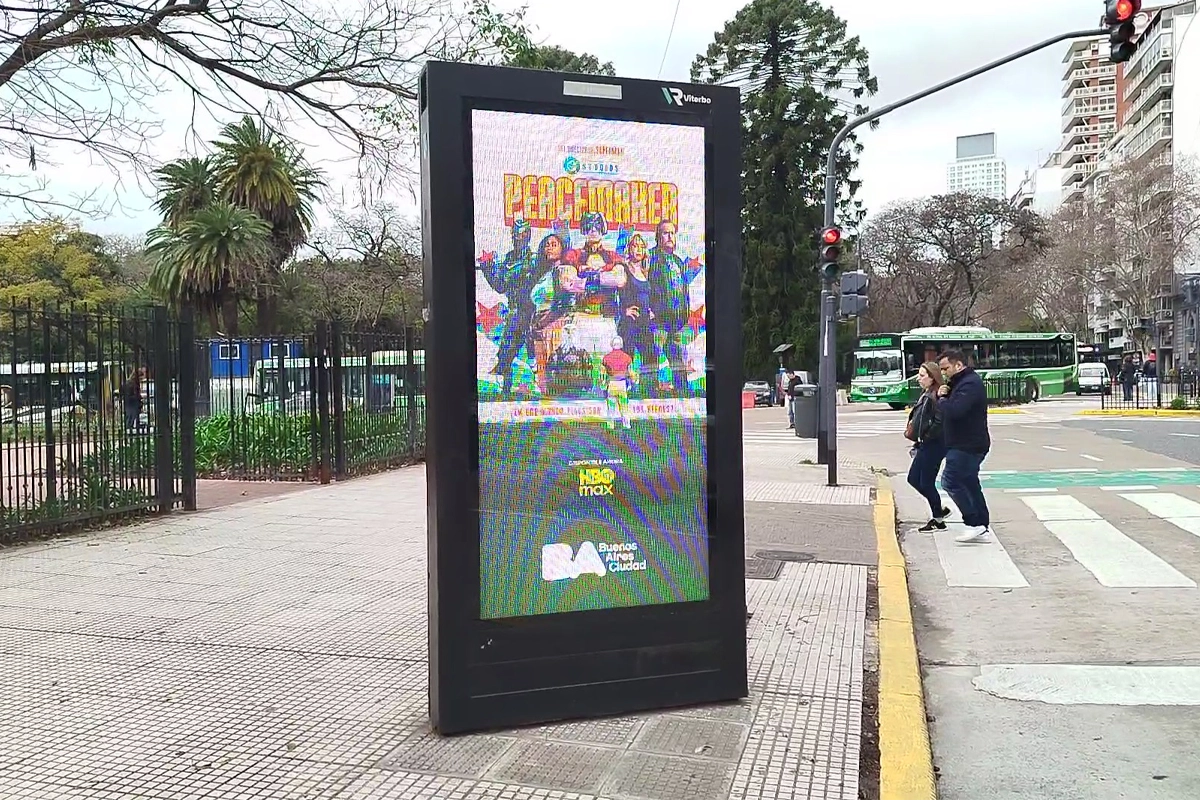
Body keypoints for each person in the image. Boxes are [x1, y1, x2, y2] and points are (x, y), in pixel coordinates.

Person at [936, 349, 992, 543]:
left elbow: (955, 411)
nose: (943, 373)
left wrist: (942, 399)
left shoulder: (969, 384)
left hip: (967, 444)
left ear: (958, 365)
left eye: (946, 368)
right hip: (964, 442)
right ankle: (981, 524)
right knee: (969, 483)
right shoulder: (959, 383)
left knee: (950, 481)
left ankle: (974, 522)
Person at [906, 362, 950, 531]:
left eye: (922, 375)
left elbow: (939, 421)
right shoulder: (927, 393)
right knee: (914, 479)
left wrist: (927, 436)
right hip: (926, 443)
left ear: (933, 378)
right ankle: (939, 510)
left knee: (925, 482)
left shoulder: (935, 396)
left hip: (934, 445)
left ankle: (938, 519)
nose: (919, 378)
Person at [601, 336, 634, 429]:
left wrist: (603, 383)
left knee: (611, 407)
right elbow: (631, 373)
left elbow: (602, 373)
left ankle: (610, 425)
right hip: (622, 384)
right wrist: (632, 382)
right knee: (624, 406)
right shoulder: (627, 357)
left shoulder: (606, 358)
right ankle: (626, 424)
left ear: (612, 345)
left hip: (612, 383)